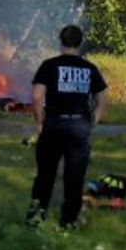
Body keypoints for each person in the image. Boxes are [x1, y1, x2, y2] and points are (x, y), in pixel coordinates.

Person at [29, 24, 108, 227]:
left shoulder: (49, 66)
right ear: (80, 43)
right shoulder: (89, 69)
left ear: (61, 41)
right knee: (75, 177)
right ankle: (69, 221)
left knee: (45, 174)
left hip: (54, 124)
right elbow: (102, 100)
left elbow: (37, 97)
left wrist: (40, 122)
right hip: (80, 126)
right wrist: (93, 122)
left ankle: (36, 217)